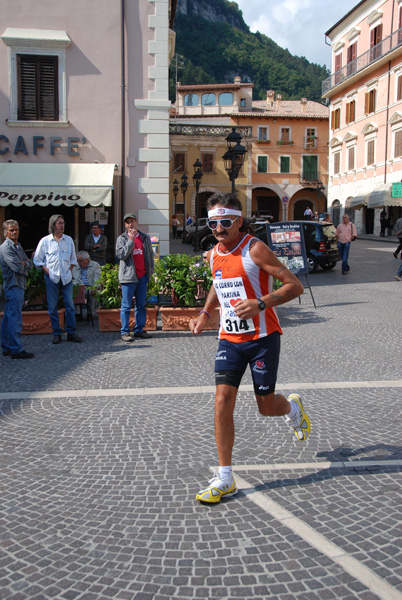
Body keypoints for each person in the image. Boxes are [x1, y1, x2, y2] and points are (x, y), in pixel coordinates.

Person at [189, 192, 310, 504]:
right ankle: (225, 478)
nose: (218, 228)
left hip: (262, 339)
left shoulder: (255, 249)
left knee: (266, 407)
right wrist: (205, 313)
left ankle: (292, 408)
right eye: (212, 222)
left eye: (225, 222)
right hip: (229, 339)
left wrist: (260, 303)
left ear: (239, 222)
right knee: (221, 400)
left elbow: (294, 286)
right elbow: (219, 283)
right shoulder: (213, 253)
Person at [34, 215, 83, 344]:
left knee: (70, 306)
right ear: (53, 225)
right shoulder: (45, 241)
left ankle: (71, 333)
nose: (62, 225)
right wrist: (48, 271)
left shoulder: (68, 240)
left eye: (63, 223)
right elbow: (37, 260)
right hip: (52, 278)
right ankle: (57, 333)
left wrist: (69, 271)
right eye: (59, 223)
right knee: (52, 307)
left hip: (66, 278)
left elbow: (73, 259)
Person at [115, 213, 154, 342]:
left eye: (132, 221)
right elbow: (121, 255)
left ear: (136, 222)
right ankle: (125, 331)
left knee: (141, 305)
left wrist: (150, 272)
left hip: (142, 276)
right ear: (125, 225)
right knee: (126, 305)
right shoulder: (122, 239)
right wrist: (131, 241)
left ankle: (139, 329)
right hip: (128, 277)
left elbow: (149, 256)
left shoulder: (144, 237)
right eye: (127, 222)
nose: (130, 224)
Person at [0, 220, 34, 359]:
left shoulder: (17, 246)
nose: (14, 232)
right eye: (11, 230)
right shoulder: (5, 247)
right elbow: (16, 267)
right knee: (14, 319)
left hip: (19, 284)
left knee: (8, 318)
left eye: (16, 229)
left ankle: (7, 346)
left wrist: (24, 263)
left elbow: (29, 264)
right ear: (5, 232)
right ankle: (15, 349)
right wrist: (24, 263)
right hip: (13, 285)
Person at [72, 251, 102, 316]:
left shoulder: (95, 265)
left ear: (87, 260)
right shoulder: (75, 266)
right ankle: (77, 314)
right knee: (73, 293)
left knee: (96, 293)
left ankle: (92, 312)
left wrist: (94, 288)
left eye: (80, 261)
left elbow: (98, 280)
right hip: (79, 288)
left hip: (90, 287)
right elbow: (72, 279)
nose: (79, 263)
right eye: (78, 261)